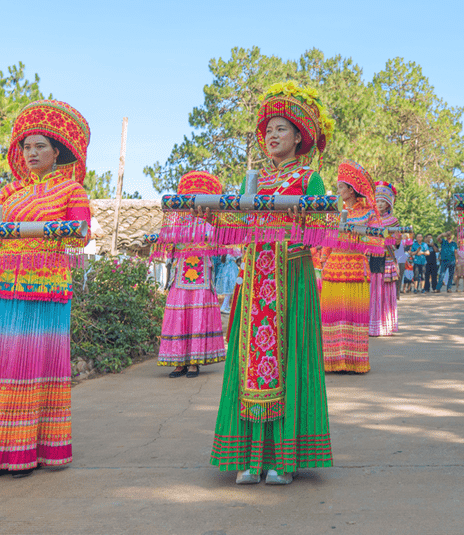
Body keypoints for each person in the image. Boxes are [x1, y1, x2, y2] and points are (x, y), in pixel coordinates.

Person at [0, 99, 91, 479]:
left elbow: (82, 234)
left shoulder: (71, 190)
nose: (32, 153)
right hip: (2, 288)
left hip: (44, 290)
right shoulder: (9, 194)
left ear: (57, 151)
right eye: (26, 147)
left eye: (40, 146)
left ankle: (26, 451)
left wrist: (60, 232)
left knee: (30, 366)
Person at [210, 82, 334, 486]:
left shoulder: (309, 178)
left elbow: (323, 227)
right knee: (247, 363)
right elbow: (238, 225)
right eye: (268, 130)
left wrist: (303, 217)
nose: (272, 136)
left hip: (291, 278)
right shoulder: (253, 181)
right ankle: (249, 458)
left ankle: (283, 460)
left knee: (289, 359)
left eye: (281, 128)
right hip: (254, 279)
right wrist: (212, 214)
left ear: (299, 136)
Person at [155, 171, 227, 378]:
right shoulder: (177, 224)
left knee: (196, 313)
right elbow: (169, 244)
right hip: (180, 274)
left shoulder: (210, 226)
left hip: (201, 274)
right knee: (179, 313)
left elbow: (219, 245)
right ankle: (179, 361)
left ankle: (194, 362)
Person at [320, 160, 376, 372]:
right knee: (332, 315)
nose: (338, 191)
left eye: (341, 187)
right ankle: (332, 361)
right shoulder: (333, 211)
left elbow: (376, 241)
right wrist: (323, 261)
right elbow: (326, 240)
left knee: (354, 315)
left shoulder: (369, 212)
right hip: (334, 267)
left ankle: (354, 361)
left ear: (351, 190)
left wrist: (357, 235)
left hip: (356, 266)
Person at [368, 181, 401, 336]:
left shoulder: (393, 221)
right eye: (377, 201)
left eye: (383, 201)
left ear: (389, 204)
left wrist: (389, 236)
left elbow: (397, 242)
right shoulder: (370, 219)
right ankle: (372, 324)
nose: (379, 204)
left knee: (384, 291)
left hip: (386, 259)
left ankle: (385, 325)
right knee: (373, 290)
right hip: (372, 257)